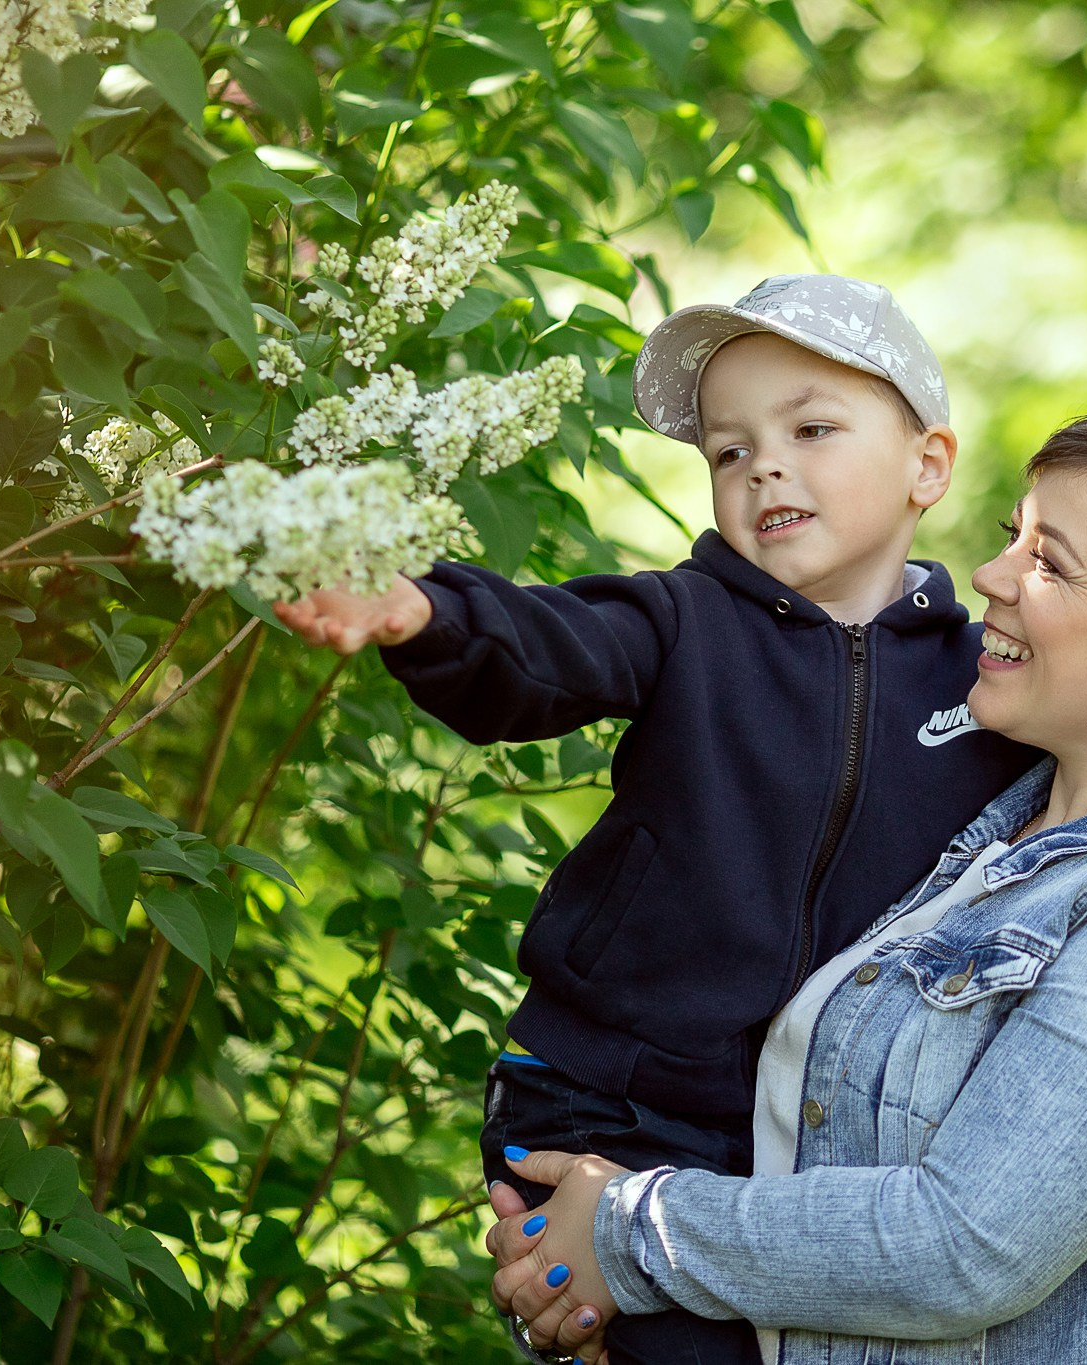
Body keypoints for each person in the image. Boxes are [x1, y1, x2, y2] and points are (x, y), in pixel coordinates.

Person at [482, 406, 1087, 1365]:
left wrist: (630, 1234)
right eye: (1010, 537)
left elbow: (962, 1248)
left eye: (1048, 561)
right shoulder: (978, 833)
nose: (990, 576)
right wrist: (605, 1298)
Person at [273, 274, 1040, 1364]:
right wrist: (427, 612)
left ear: (928, 464)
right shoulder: (682, 619)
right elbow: (545, 649)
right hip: (609, 1099)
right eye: (729, 449)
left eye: (811, 428)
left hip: (811, 1133)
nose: (762, 464)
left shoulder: (982, 684)